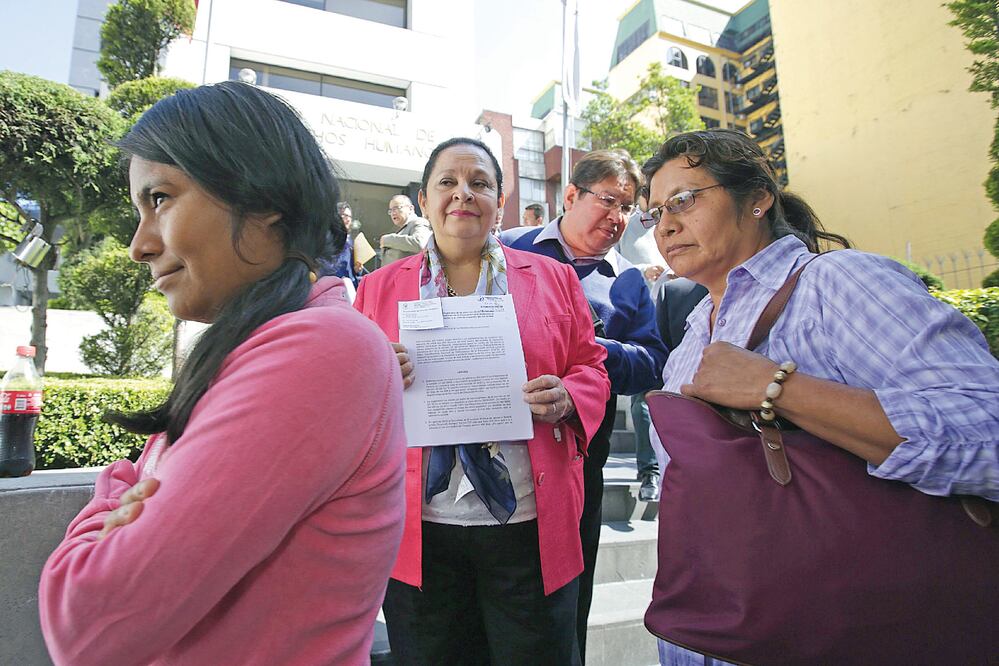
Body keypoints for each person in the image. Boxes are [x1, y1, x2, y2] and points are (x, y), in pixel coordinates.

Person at [37, 82, 407, 666]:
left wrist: (116, 491)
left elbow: (85, 619)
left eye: (159, 198)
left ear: (264, 199)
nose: (139, 244)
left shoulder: (322, 349)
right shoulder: (260, 346)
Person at [641, 128, 999, 665]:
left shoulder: (837, 283)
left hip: (839, 628)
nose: (665, 224)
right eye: (654, 214)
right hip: (711, 632)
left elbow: (987, 431)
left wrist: (777, 388)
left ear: (758, 198)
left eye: (685, 200)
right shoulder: (692, 334)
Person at [355, 137, 610, 665]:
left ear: (499, 199)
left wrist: (569, 394)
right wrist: (373, 376)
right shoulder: (376, 289)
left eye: (479, 183)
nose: (462, 194)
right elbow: (347, 396)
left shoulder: (554, 278)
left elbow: (593, 367)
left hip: (528, 524)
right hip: (421, 531)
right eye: (446, 182)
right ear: (423, 201)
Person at [501, 149, 669, 658]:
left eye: (628, 208)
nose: (617, 218)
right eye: (608, 201)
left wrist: (591, 352)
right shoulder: (506, 248)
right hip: (495, 445)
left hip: (578, 451)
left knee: (567, 589)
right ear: (571, 195)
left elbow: (652, 362)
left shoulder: (630, 280)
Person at [615, 202, 670, 501]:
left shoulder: (677, 220)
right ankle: (650, 472)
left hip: (683, 316)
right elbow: (613, 267)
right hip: (646, 324)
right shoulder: (630, 225)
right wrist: (643, 270)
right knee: (645, 400)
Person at [317, 201, 364, 288]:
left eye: (349, 216)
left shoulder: (350, 241)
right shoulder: (327, 238)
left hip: (349, 287)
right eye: (345, 215)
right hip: (332, 287)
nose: (348, 219)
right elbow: (325, 265)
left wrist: (357, 269)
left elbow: (352, 268)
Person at [380, 194, 431, 264]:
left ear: (411, 208)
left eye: (396, 208)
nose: (393, 213)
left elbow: (420, 244)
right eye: (391, 210)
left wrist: (388, 239)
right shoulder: (402, 229)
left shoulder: (419, 222)